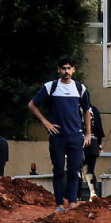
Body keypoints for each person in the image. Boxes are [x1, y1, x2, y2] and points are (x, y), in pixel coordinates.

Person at [28, 55, 92, 211]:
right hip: (58, 136)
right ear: (59, 70)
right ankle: (59, 204)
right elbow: (32, 104)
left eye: (69, 68)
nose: (66, 71)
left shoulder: (80, 88)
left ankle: (72, 203)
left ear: (73, 70)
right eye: (63, 68)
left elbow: (87, 111)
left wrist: (88, 133)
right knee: (58, 171)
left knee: (74, 171)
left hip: (75, 136)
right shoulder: (51, 87)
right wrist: (45, 122)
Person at [81, 104, 106, 200]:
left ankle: (75, 196)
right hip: (93, 142)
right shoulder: (94, 110)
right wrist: (99, 145)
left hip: (77, 141)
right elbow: (99, 128)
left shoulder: (73, 107)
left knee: (75, 169)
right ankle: (93, 192)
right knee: (89, 169)